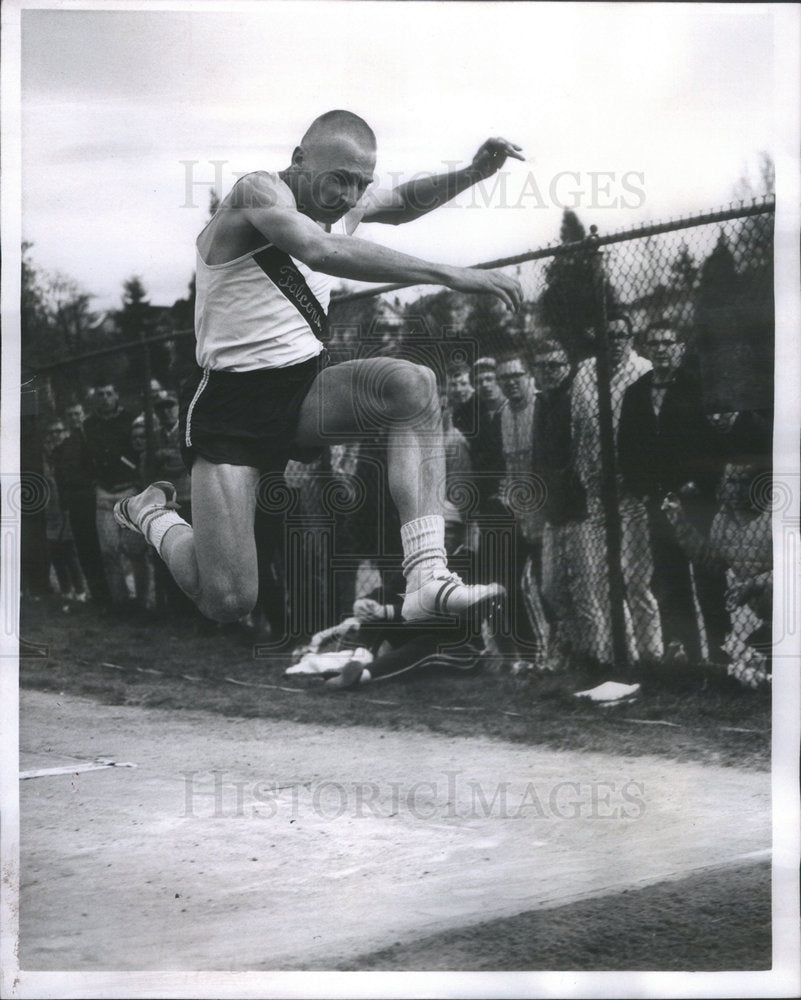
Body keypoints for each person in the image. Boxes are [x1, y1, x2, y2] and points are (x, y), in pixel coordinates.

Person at [115, 110, 522, 624]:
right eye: (339, 180)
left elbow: (400, 202)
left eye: (361, 183)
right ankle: (151, 514)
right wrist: (449, 273)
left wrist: (472, 174)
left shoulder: (343, 204)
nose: (350, 198)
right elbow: (317, 249)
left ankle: (426, 574)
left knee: (412, 385)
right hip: (231, 407)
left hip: (302, 392)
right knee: (229, 600)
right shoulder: (257, 194)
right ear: (299, 161)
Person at [570, 315, 663, 667]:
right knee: (601, 578)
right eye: (608, 336)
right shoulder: (585, 372)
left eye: (622, 335)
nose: (615, 342)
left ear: (631, 337)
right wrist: (583, 472)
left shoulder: (644, 370)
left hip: (631, 489)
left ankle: (652, 657)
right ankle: (619, 656)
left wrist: (638, 475)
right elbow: (578, 427)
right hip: (596, 489)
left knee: (637, 579)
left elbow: (651, 431)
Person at [617, 321, 712, 663]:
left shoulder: (696, 388)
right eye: (654, 343)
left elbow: (710, 443)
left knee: (706, 576)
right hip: (656, 500)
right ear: (646, 348)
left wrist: (694, 482)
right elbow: (627, 449)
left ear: (679, 347)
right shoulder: (636, 392)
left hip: (694, 498)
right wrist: (645, 491)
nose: (661, 349)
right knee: (670, 580)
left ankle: (718, 653)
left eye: (667, 343)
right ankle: (686, 653)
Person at [84, 380, 150, 608]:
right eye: (100, 394)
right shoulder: (89, 425)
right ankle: (121, 602)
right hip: (104, 492)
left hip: (130, 490)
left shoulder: (131, 419)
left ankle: (142, 602)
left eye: (109, 393)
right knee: (109, 551)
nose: (105, 398)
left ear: (116, 395)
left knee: (135, 550)